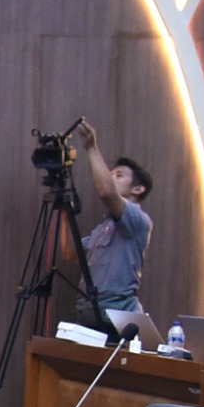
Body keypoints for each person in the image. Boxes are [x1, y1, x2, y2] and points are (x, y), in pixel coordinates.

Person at [75, 122, 155, 323]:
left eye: (118, 175)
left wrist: (92, 148)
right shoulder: (103, 228)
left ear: (138, 189)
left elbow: (106, 192)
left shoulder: (139, 220)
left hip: (119, 313)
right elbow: (70, 252)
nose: (111, 179)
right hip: (88, 308)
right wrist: (65, 211)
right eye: (109, 175)